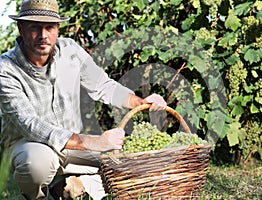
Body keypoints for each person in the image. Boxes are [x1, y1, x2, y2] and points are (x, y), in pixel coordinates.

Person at [0, 0, 167, 199]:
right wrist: (95, 142)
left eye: (49, 27)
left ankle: (71, 187)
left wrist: (141, 103)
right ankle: (36, 196)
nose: (43, 35)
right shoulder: (6, 68)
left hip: (72, 144)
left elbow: (103, 86)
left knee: (128, 163)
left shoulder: (70, 51)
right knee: (36, 162)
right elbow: (30, 125)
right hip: (28, 144)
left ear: (58, 28)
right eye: (34, 27)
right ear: (21, 28)